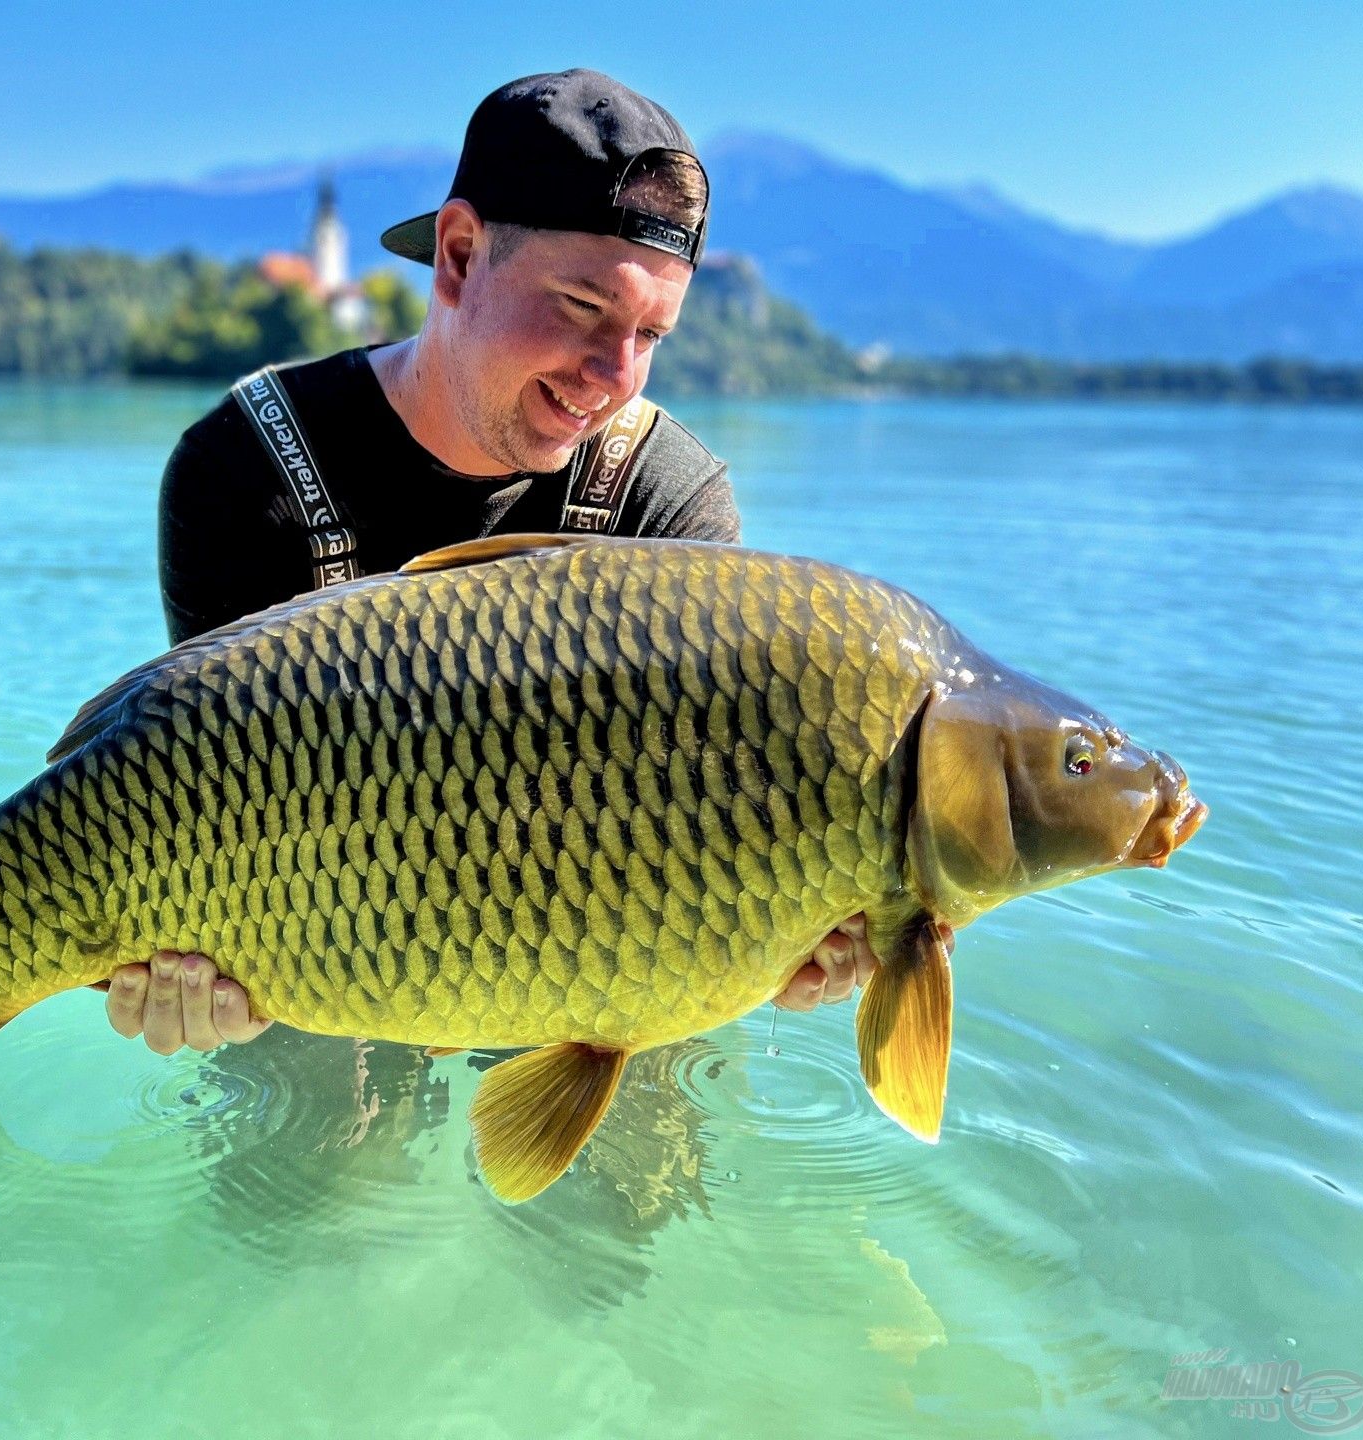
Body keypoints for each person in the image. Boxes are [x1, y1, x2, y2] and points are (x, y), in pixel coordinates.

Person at [103, 69, 879, 1056]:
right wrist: (181, 982)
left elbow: (695, 840)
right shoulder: (243, 469)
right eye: (581, 307)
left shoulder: (668, 504)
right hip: (329, 948)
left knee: (638, 1195)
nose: (613, 377)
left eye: (648, 334)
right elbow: (193, 802)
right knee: (318, 1176)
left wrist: (772, 937)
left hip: (594, 957)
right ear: (460, 256)